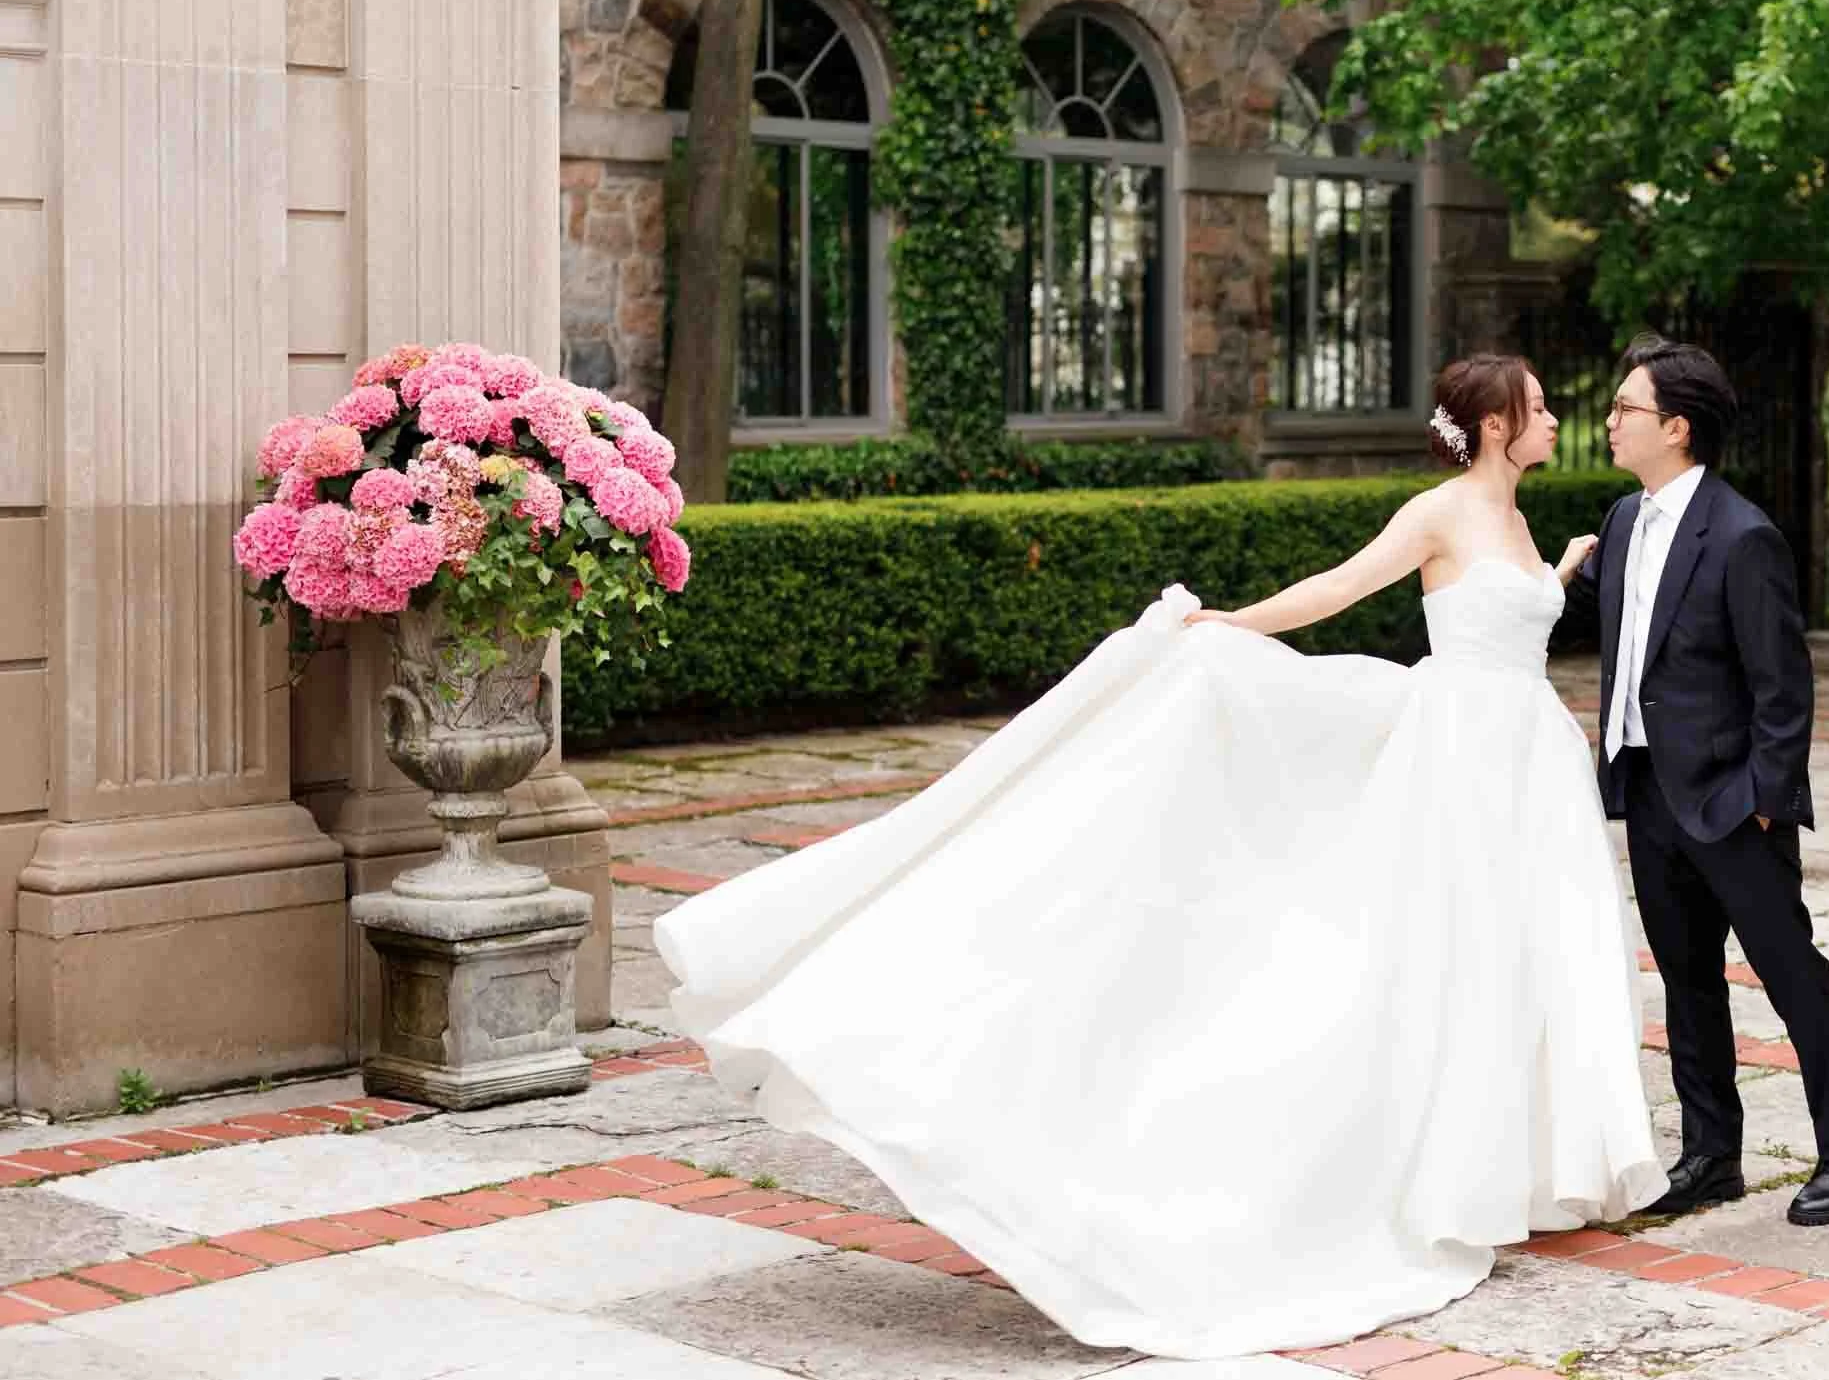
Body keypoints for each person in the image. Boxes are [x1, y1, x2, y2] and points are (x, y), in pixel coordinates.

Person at [654, 354, 1664, 1360]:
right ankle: (1419, 1176)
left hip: (1526, 761)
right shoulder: (1438, 511)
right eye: (1537, 408)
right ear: (1494, 426)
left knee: (1516, 955)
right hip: (1458, 758)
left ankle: (1506, 1164)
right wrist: (1232, 626)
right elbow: (1341, 587)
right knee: (1443, 954)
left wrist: (1557, 572)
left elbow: (1507, 614)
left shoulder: (1528, 525)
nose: (1552, 421)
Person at [1564, 334, 1829, 1226]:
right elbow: (1586, 621)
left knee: (1790, 973)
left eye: (1625, 408)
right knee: (1686, 978)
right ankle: (1712, 1154)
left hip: (1734, 802)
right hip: (1649, 790)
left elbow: (1786, 690)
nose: (1611, 421)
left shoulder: (1745, 537)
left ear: (1676, 425)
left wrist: (1765, 806)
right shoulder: (1625, 522)